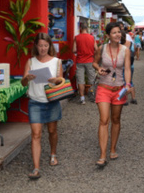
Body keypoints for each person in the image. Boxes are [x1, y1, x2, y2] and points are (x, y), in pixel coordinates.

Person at [21, 33, 64, 180]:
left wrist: (55, 79)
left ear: (49, 46)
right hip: (35, 101)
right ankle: (36, 168)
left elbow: (61, 80)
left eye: (46, 45)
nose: (43, 48)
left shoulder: (57, 61)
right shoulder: (30, 62)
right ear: (36, 46)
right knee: (36, 134)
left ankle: (53, 153)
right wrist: (27, 78)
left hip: (51, 101)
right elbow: (23, 83)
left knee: (52, 131)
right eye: (40, 45)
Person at [92, 22, 132, 168]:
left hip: (119, 89)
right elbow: (94, 63)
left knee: (116, 119)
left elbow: (127, 69)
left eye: (119, 32)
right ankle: (102, 155)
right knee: (104, 120)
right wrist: (99, 68)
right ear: (108, 35)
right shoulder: (102, 48)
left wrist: (128, 84)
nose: (117, 35)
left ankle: (113, 148)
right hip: (103, 87)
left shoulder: (125, 50)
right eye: (114, 32)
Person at [73, 23, 98, 104]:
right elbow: (96, 49)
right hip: (90, 61)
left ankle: (82, 98)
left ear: (80, 28)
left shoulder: (77, 37)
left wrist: (80, 50)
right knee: (91, 79)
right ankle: (92, 96)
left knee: (80, 80)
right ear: (87, 28)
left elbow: (73, 50)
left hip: (80, 61)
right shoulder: (92, 37)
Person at [121, 30, 137, 105]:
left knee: (123, 82)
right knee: (130, 81)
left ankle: (125, 99)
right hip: (131, 65)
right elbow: (134, 51)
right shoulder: (130, 43)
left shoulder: (119, 44)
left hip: (123, 65)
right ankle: (133, 98)